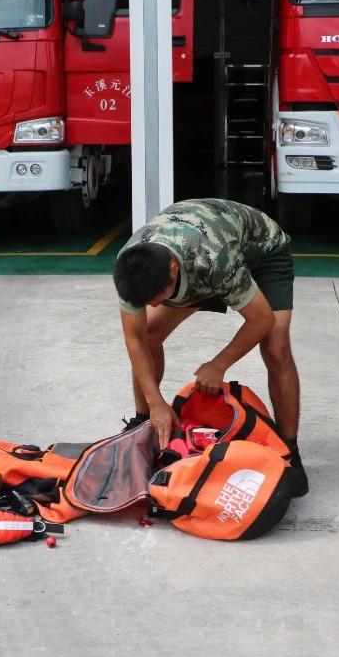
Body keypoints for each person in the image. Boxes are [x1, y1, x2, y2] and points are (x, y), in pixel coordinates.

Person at [113, 197, 305, 496]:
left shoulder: (213, 261)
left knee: (276, 349)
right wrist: (155, 403)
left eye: (157, 297)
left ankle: (289, 451)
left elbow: (261, 320)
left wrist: (219, 364)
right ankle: (143, 427)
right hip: (201, 259)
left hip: (261, 251)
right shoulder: (130, 265)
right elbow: (135, 338)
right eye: (146, 301)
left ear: (172, 269)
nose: (154, 305)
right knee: (148, 334)